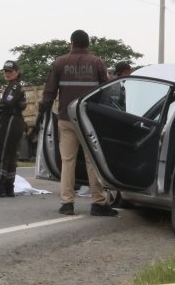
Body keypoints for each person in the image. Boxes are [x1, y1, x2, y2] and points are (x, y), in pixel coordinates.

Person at [38, 29, 117, 217]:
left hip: (66, 119)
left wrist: (43, 113)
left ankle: (67, 203)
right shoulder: (97, 63)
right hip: (88, 120)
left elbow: (49, 92)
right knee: (92, 162)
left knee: (67, 161)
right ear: (88, 44)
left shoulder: (60, 63)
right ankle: (98, 202)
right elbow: (105, 93)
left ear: (71, 43)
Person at [0, 60, 27, 198]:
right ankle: (9, 188)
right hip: (12, 121)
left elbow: (8, 103)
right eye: (5, 71)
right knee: (9, 156)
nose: (7, 74)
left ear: (16, 72)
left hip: (11, 122)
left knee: (3, 156)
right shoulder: (11, 86)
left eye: (10, 71)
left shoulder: (15, 87)